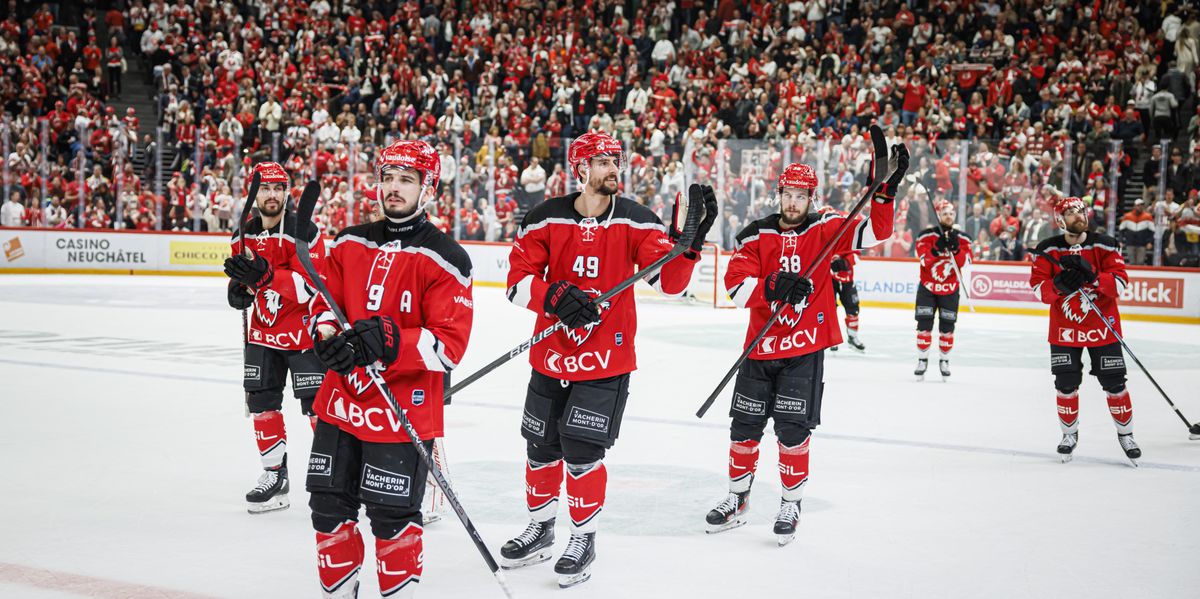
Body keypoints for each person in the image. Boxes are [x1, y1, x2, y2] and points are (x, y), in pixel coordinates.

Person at [497, 131, 716, 587]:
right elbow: (517, 285)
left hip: (606, 361)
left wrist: (689, 245)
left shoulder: (638, 221)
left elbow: (670, 284)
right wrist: (553, 294)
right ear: (579, 169)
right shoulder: (542, 219)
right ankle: (541, 529)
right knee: (540, 451)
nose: (612, 168)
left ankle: (583, 537)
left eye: (615, 160)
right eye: (601, 161)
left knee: (581, 455)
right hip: (550, 358)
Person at [706, 144, 907, 545]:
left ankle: (791, 503)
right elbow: (736, 286)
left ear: (811, 198)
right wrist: (772, 286)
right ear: (778, 195)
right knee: (743, 428)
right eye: (788, 194)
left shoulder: (825, 228)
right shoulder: (757, 232)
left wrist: (883, 195)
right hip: (759, 351)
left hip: (803, 349)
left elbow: (874, 233)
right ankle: (738, 499)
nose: (793, 202)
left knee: (792, 431)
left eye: (801, 195)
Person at [306, 139, 474, 598]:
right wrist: (328, 342)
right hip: (341, 404)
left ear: (427, 188)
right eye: (387, 178)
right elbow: (326, 305)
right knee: (327, 507)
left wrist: (390, 340)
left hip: (403, 412)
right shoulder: (349, 240)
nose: (393, 188)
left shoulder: (447, 257)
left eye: (406, 180)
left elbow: (450, 347)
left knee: (391, 515)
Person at [222, 161, 327, 514]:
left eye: (278, 188)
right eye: (265, 188)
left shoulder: (304, 231)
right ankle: (275, 476)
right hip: (262, 336)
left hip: (304, 336)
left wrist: (264, 275)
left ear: (287, 192)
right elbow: (244, 280)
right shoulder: (242, 234)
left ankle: (329, 477)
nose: (271, 194)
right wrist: (238, 292)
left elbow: (309, 286)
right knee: (262, 404)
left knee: (318, 410)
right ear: (254, 194)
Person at [1029, 196, 1140, 465]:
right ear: (1059, 220)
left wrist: (1093, 276)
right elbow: (1038, 290)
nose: (1078, 214)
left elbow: (1120, 285)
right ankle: (1069, 435)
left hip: (1104, 329)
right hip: (1064, 333)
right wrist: (1059, 286)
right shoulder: (1048, 250)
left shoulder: (1105, 244)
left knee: (1115, 384)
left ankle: (1126, 435)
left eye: (1080, 210)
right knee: (1065, 386)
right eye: (1070, 212)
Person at [912, 199, 973, 380]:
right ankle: (922, 360)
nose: (948, 216)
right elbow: (923, 260)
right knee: (924, 326)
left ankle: (944, 360)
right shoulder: (925, 236)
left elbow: (967, 262)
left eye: (951, 213)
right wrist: (937, 248)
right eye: (944, 213)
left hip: (950, 290)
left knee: (947, 329)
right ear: (938, 215)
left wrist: (956, 249)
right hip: (927, 289)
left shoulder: (962, 238)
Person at [828, 245, 866, 351]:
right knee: (830, 310)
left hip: (847, 280)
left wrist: (846, 262)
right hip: (829, 280)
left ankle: (852, 337)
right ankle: (832, 338)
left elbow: (857, 256)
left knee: (853, 309)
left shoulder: (850, 235)